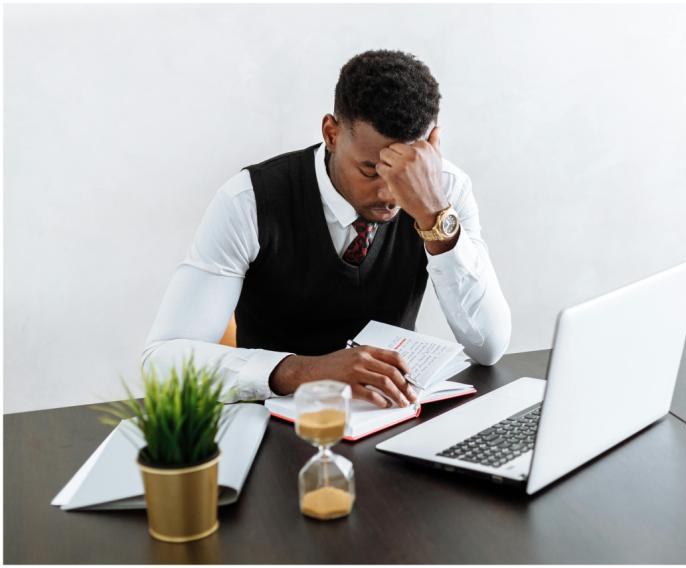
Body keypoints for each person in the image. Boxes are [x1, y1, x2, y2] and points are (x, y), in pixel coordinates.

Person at [142, 49, 511, 407]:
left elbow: (488, 347)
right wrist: (306, 371)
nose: (389, 194)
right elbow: (161, 362)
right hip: (271, 428)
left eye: (405, 172)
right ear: (331, 133)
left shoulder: (444, 194)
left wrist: (435, 218)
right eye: (370, 170)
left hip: (387, 422)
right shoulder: (248, 200)